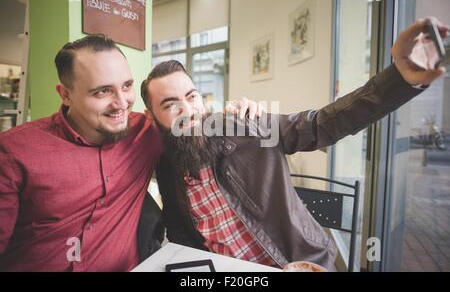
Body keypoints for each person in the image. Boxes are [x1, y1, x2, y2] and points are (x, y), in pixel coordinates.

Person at [139, 18, 449, 271]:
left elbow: (322, 124)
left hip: (296, 264)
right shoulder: (167, 164)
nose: (189, 111)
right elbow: (180, 231)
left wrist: (398, 79)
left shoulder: (247, 126)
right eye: (170, 105)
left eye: (191, 96)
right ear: (151, 117)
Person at [0, 35, 255, 271]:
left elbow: (194, 120)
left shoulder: (149, 131)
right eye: (102, 91)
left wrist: (241, 112)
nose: (121, 103)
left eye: (127, 86)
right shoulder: (14, 152)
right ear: (65, 94)